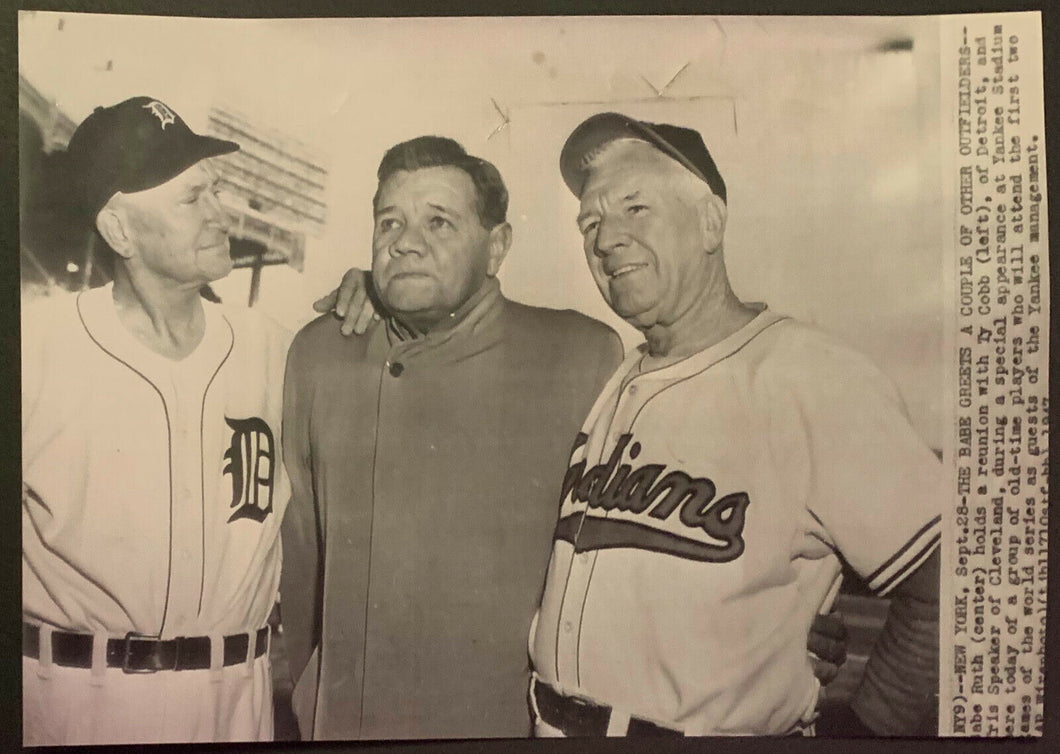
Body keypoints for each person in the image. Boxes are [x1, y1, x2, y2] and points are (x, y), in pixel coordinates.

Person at [288, 136, 851, 740]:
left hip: (501, 727)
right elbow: (298, 555)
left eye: (439, 222)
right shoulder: (322, 352)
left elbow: (693, 516)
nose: (404, 241)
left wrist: (795, 619)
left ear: (497, 247)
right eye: (389, 222)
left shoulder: (579, 355)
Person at [526, 112, 942, 738]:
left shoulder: (813, 376)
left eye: (635, 208)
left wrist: (862, 733)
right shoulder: (614, 375)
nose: (607, 238)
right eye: (591, 221)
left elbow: (955, 586)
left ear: (711, 222)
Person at [21, 96, 292, 745]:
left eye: (215, 191)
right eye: (191, 198)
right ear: (119, 231)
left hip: (237, 698)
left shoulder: (275, 347)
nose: (219, 214)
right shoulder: (34, 345)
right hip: (79, 699)